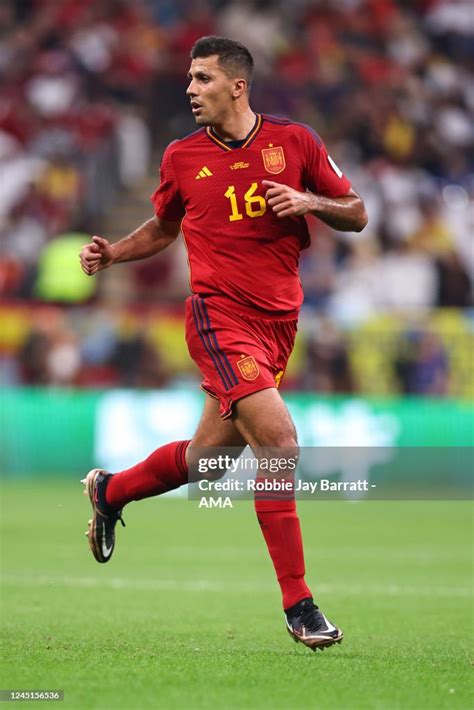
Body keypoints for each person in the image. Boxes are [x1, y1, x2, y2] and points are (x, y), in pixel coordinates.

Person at [79, 36, 367, 652]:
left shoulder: (295, 142)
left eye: (203, 78)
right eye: (189, 79)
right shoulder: (182, 156)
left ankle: (110, 491)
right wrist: (113, 254)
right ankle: (301, 605)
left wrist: (310, 200)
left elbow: (357, 210)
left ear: (238, 85)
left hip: (279, 323)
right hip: (217, 316)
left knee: (209, 462)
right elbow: (163, 226)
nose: (190, 89)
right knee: (280, 442)